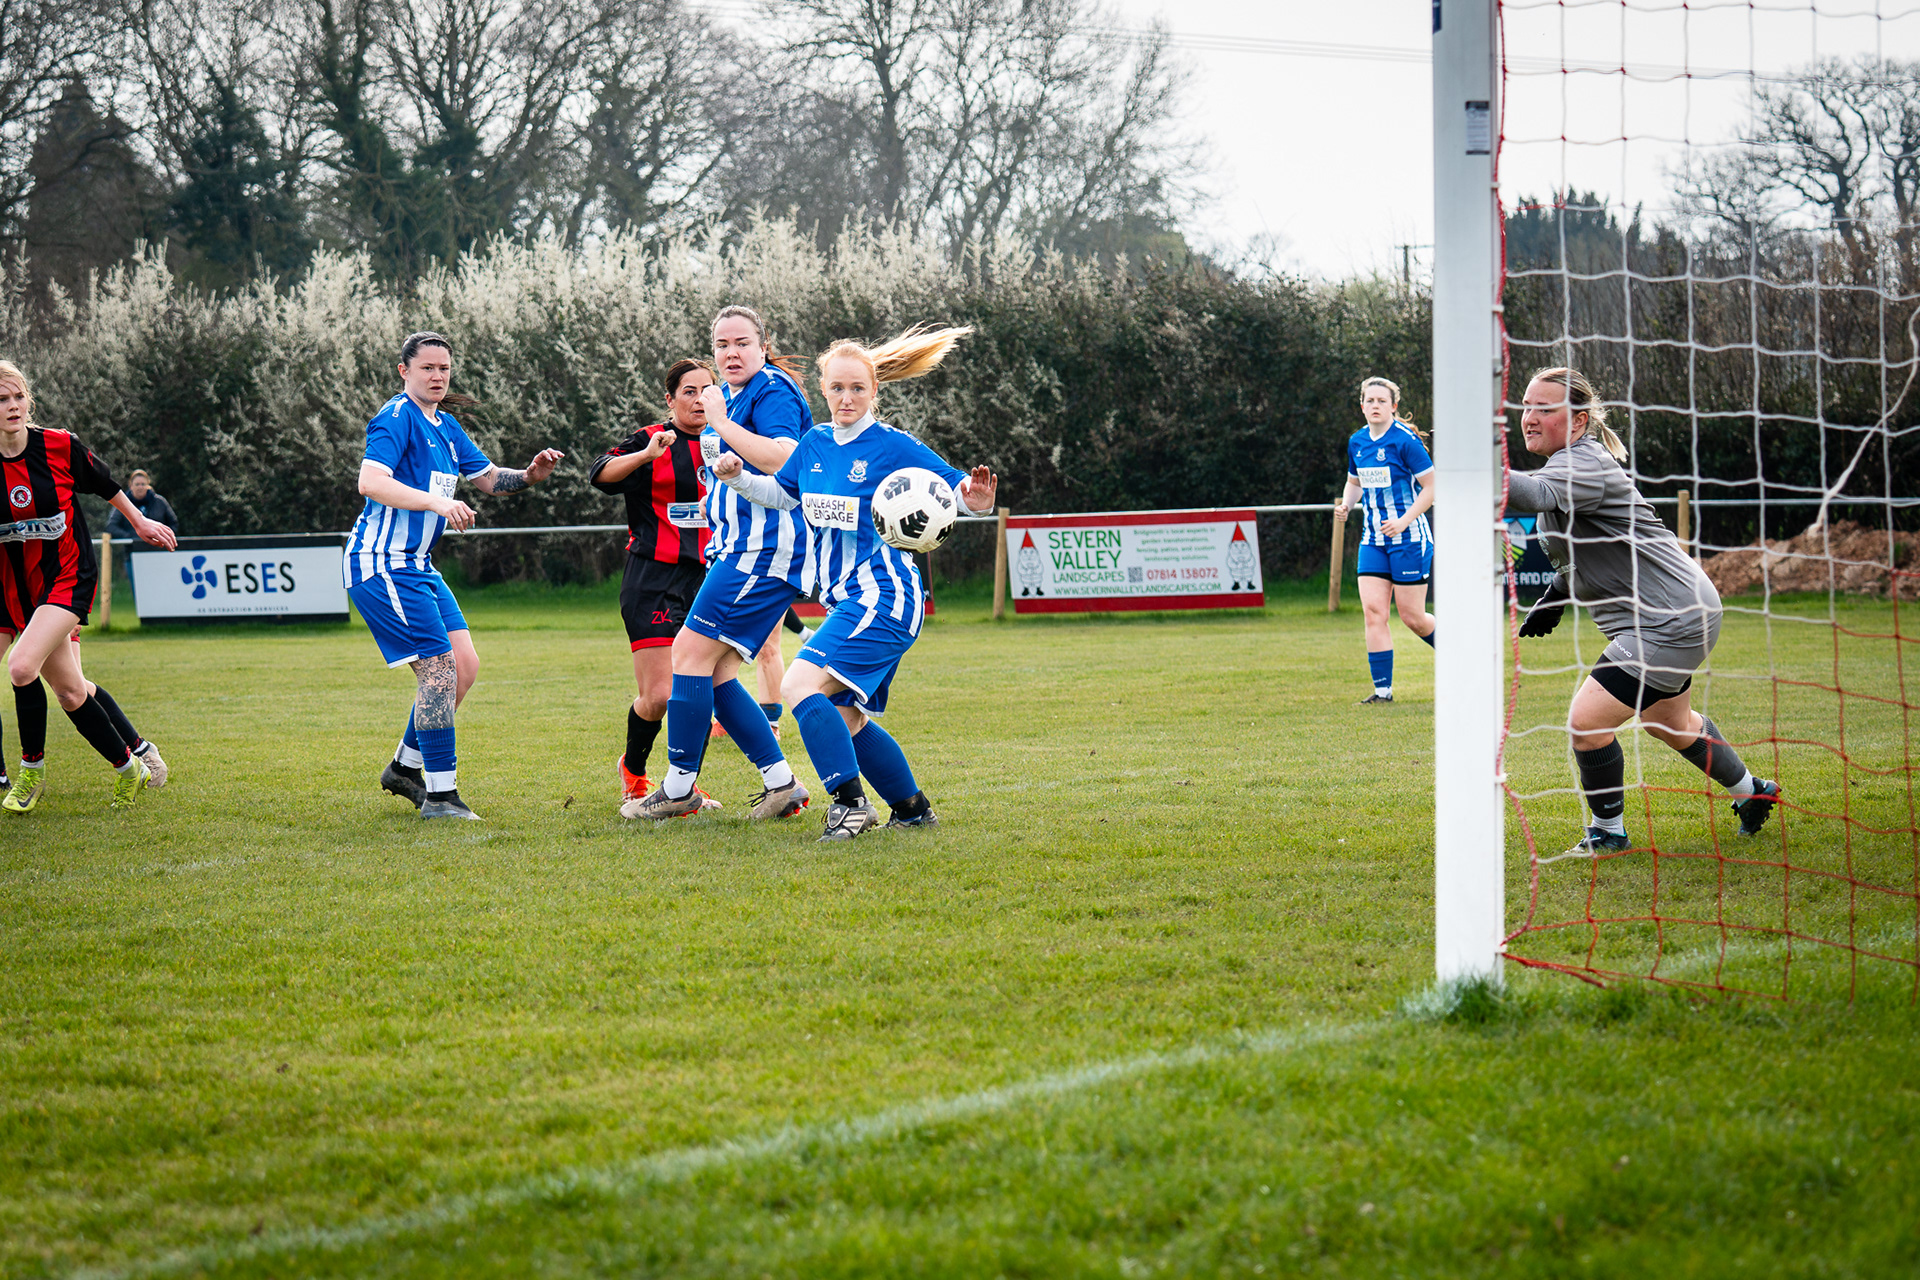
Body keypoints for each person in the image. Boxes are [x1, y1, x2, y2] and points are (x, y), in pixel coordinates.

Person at [711, 324, 998, 840]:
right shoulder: (815, 443)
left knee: (798, 685)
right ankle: (912, 810)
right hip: (849, 600)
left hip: (885, 595)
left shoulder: (890, 445)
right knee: (844, 717)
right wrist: (737, 478)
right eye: (838, 388)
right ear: (823, 389)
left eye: (858, 388)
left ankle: (849, 807)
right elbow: (782, 495)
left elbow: (953, 488)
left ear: (874, 391)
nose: (847, 398)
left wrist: (973, 500)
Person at [1508, 366, 1780, 855]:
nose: (1529, 417)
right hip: (1678, 611)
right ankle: (1753, 792)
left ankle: (1608, 833)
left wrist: (1471, 462)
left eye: (1544, 408)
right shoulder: (1566, 465)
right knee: (1672, 723)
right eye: (1526, 407)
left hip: (1668, 618)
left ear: (1578, 420)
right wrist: (1554, 598)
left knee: (1587, 723)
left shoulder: (1583, 461)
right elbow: (1582, 553)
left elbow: (1530, 494)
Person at [343, 332, 564, 821]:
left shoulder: (446, 425)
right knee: (440, 671)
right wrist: (438, 502)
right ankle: (442, 798)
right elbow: (370, 482)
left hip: (417, 565)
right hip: (382, 563)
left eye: (444, 368)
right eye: (427, 367)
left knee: (463, 666)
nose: (438, 376)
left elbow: (489, 479)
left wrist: (530, 475)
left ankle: (405, 767)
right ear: (404, 371)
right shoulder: (396, 417)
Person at [625, 305, 813, 822]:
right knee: (715, 674)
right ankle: (781, 784)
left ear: (763, 346)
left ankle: (677, 787)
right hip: (738, 549)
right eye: (722, 345)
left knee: (687, 654)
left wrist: (723, 424)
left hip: (764, 551)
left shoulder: (771, 390)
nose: (732, 353)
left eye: (742, 343)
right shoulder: (727, 395)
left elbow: (784, 458)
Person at [0, 359, 177, 812]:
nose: (13, 406)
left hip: (67, 577)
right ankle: (133, 762)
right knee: (71, 691)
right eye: (2, 399)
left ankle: (29, 773)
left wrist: (139, 522)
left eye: (18, 397)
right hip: (14, 589)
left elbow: (106, 485)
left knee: (21, 666)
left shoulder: (58, 445)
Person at [590, 357, 723, 812]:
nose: (699, 399)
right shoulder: (652, 439)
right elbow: (599, 473)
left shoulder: (727, 441)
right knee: (661, 695)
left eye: (707, 390)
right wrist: (646, 456)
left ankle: (684, 787)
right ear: (670, 399)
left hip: (708, 579)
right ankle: (634, 770)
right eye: (689, 391)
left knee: (699, 690)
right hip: (653, 578)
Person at [1333, 376, 1436, 704]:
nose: (1375, 405)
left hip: (1409, 539)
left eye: (1382, 400)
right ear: (1362, 406)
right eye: (1370, 400)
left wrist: (1403, 521)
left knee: (1413, 618)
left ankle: (1461, 652)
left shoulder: (1405, 441)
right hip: (1372, 540)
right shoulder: (1357, 441)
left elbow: (1432, 487)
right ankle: (1382, 692)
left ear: (1394, 406)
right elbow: (1354, 482)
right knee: (1374, 611)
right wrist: (1347, 504)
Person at [104, 469, 179, 608]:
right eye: (137, 484)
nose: (140, 487)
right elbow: (111, 526)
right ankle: (144, 617)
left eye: (143, 484)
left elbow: (173, 523)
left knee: (160, 591)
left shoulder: (159, 502)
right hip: (133, 555)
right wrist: (132, 537)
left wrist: (163, 537)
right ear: (130, 486)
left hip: (157, 555)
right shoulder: (123, 504)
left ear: (148, 485)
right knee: (139, 593)